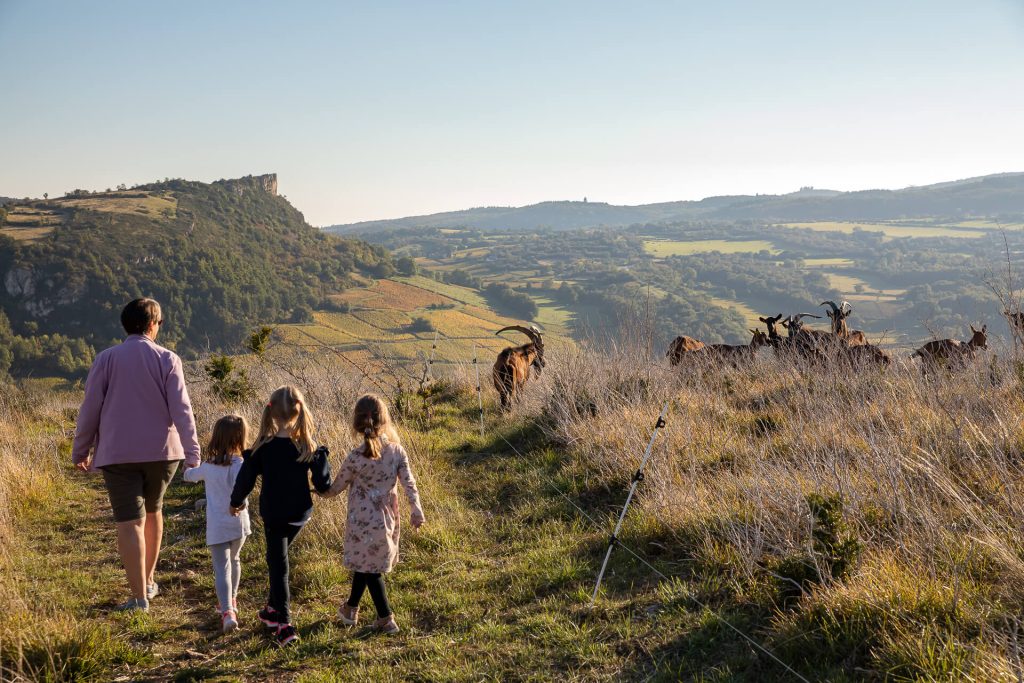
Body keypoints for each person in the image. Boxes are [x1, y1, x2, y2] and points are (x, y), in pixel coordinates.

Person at [72, 298, 200, 612]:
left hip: (117, 453)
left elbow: (90, 409)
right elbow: (182, 410)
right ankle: (149, 580)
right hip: (162, 453)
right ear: (153, 324)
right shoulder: (168, 359)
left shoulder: (106, 359)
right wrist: (192, 452)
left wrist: (81, 449)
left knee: (129, 523)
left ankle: (139, 598)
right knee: (154, 512)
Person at [230, 386, 331, 647]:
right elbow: (321, 483)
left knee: (279, 567)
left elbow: (246, 480)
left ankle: (284, 624)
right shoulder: (307, 446)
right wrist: (322, 483)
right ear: (299, 410)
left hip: (274, 514)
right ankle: (272, 610)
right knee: (279, 559)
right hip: (300, 513)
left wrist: (236, 502)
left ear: (271, 411)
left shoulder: (263, 448)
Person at [321, 394, 425, 634]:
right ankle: (350, 609)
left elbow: (334, 489)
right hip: (387, 517)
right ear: (383, 419)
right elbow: (409, 483)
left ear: (358, 422)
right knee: (367, 563)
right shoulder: (397, 451)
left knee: (370, 568)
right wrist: (416, 508)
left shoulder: (355, 458)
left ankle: (385, 618)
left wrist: (316, 487)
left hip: (361, 522)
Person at [183, 415, 252, 633]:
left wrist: (190, 465)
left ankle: (227, 611)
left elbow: (189, 476)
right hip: (238, 523)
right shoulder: (243, 465)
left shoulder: (208, 466)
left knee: (221, 568)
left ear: (216, 438)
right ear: (241, 438)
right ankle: (232, 599)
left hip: (218, 526)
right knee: (235, 559)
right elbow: (246, 490)